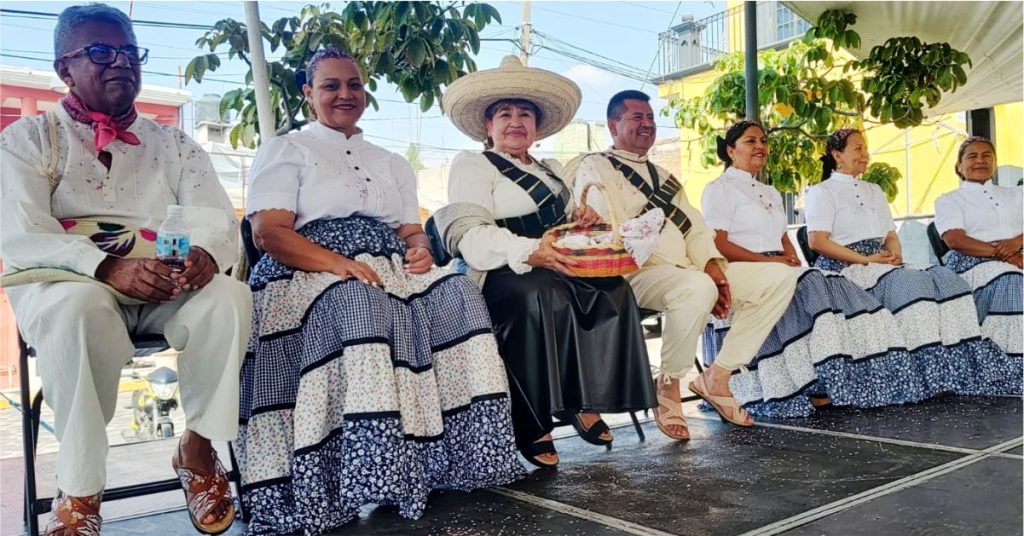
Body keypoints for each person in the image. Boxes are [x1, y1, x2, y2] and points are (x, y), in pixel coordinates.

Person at [238, 48, 524, 534]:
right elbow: (269, 233)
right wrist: (339, 264)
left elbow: (411, 231)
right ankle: (363, 473)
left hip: (390, 267)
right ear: (308, 94)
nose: (345, 94)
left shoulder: (389, 161)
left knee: (458, 294)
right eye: (331, 85)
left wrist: (420, 251)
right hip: (308, 268)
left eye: (354, 84)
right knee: (361, 303)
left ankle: (453, 461)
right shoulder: (288, 149)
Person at [0, 5, 252, 535]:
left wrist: (205, 254)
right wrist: (107, 267)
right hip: (72, 286)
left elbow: (215, 217)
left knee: (229, 298)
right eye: (100, 52)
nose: (120, 63)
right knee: (80, 306)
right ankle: (80, 487)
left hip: (165, 286)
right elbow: (21, 233)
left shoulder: (174, 144)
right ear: (65, 69)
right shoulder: (27, 139)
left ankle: (197, 448)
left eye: (129, 52)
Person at [435, 56, 656, 467]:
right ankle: (532, 421)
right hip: (500, 269)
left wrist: (581, 219)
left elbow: (566, 226)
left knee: (614, 290)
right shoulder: (473, 165)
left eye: (525, 114)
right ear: (488, 125)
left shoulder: (551, 169)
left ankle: (583, 399)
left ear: (537, 126)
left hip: (556, 261)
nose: (515, 122)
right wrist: (529, 252)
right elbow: (471, 236)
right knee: (539, 293)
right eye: (505, 114)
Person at [570, 91, 797, 440]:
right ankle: (669, 382)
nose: (647, 124)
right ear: (613, 125)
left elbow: (695, 228)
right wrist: (696, 274)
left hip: (690, 271)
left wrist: (713, 267)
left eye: (650, 118)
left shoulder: (665, 176)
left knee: (779, 276)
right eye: (637, 117)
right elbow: (608, 229)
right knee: (696, 287)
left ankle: (717, 377)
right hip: (634, 274)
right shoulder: (596, 166)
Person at [700, 121, 927, 417]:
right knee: (816, 284)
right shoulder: (719, 189)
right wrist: (772, 263)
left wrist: (791, 259)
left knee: (830, 283)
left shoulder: (770, 192)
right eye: (750, 141)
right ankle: (806, 383)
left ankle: (833, 377)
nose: (760, 146)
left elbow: (783, 239)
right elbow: (717, 243)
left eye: (763, 141)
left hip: (778, 265)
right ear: (731, 150)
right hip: (743, 270)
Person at [806, 128, 1020, 397]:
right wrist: (866, 260)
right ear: (837, 155)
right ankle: (922, 376)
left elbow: (890, 235)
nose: (865, 154)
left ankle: (954, 373)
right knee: (911, 285)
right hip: (846, 266)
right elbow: (818, 241)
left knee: (947, 281)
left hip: (881, 262)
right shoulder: (822, 192)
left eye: (866, 148)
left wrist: (895, 255)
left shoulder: (873, 190)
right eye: (858, 149)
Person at [934, 136, 1022, 357]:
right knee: (1010, 278)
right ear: (959, 166)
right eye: (972, 156)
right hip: (973, 263)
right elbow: (955, 240)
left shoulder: (1017, 194)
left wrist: (1017, 243)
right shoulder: (950, 200)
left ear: (995, 162)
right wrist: (1003, 254)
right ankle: (1009, 360)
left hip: (1018, 256)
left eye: (986, 156)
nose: (980, 160)